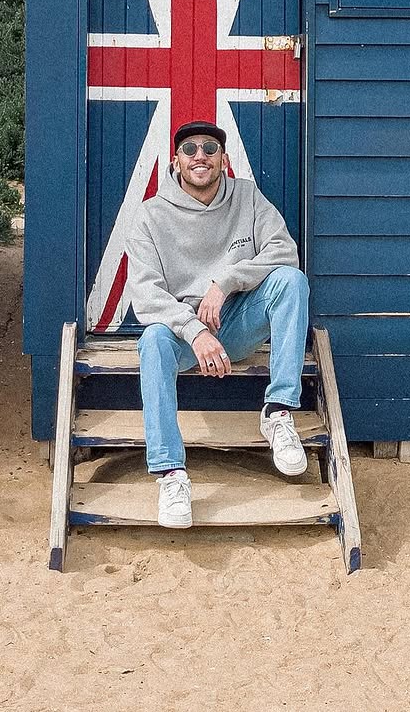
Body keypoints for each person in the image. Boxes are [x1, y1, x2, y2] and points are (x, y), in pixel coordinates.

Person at [127, 119, 311, 529]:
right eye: (189, 149)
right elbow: (147, 295)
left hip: (236, 320)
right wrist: (194, 331)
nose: (200, 156)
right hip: (183, 335)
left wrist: (224, 282)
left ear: (223, 159)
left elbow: (283, 252)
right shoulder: (150, 217)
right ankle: (170, 473)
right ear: (176, 162)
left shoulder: (246, 196)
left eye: (210, 148)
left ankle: (278, 411)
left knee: (291, 283)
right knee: (152, 341)